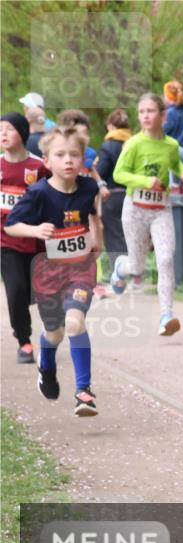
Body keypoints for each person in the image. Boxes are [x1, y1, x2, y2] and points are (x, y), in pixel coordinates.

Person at [5, 125, 103, 416]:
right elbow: (11, 225)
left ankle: (84, 391)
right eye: (60, 155)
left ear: (83, 159)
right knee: (55, 333)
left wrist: (96, 239)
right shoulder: (38, 193)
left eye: (74, 154)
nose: (68, 160)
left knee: (74, 323)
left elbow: (92, 214)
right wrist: (36, 230)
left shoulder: (89, 187)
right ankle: (46, 367)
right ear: (47, 161)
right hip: (48, 274)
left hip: (80, 270)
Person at [110, 93, 183, 336]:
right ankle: (120, 269)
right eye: (142, 112)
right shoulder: (133, 144)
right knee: (137, 267)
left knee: (165, 259)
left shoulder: (171, 145)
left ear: (163, 115)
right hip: (135, 210)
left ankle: (166, 315)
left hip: (161, 210)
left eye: (151, 111)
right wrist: (146, 181)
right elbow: (118, 174)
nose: (145, 116)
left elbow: (174, 163)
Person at [1, 112, 49, 364]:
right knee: (15, 289)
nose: (3, 133)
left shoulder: (39, 167)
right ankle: (24, 340)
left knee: (32, 292)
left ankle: (26, 312)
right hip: (6, 241)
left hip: (36, 240)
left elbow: (55, 194)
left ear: (22, 132)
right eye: (0, 129)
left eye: (9, 129)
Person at [94, 109, 132, 276]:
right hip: (132, 196)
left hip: (112, 196)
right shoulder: (133, 144)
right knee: (129, 235)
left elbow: (101, 172)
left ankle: (119, 274)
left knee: (114, 235)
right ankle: (134, 272)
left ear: (110, 126)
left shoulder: (108, 146)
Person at [56, 110, 98, 178]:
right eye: (79, 134)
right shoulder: (57, 156)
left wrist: (100, 183)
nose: (84, 138)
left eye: (86, 134)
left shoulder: (90, 153)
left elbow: (92, 172)